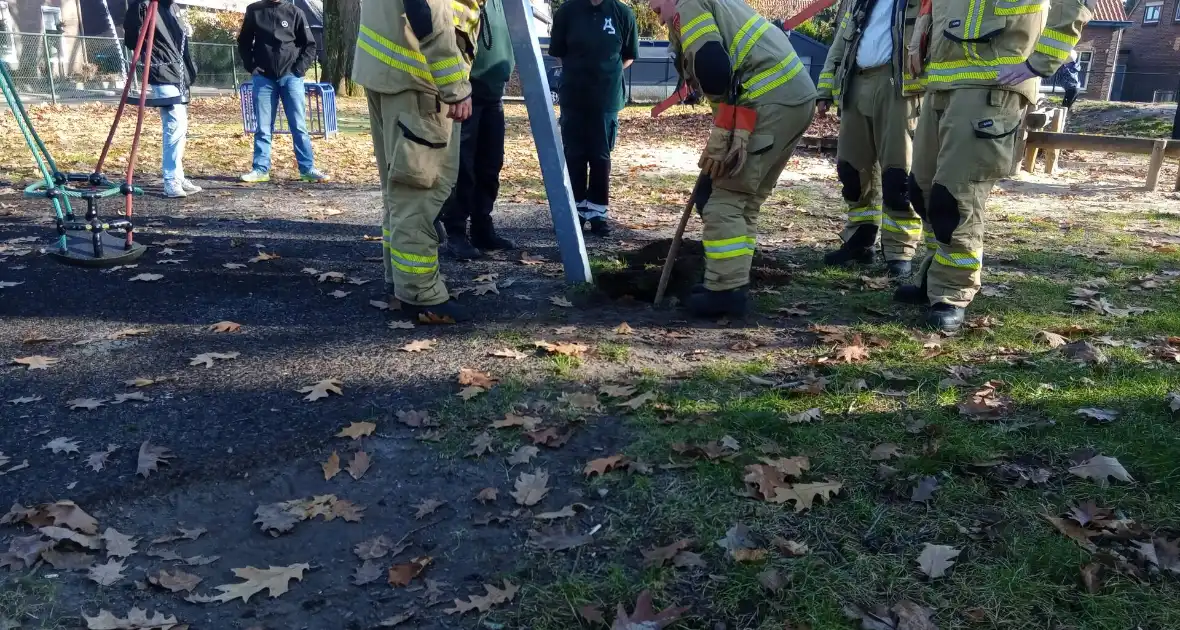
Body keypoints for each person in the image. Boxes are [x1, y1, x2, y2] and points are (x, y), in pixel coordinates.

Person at [897, 0, 1091, 331]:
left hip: (991, 89)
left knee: (956, 195)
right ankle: (935, 275)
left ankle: (952, 291)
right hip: (940, 86)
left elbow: (1073, 5)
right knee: (924, 189)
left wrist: (1038, 64)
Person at [648, 0, 817, 317]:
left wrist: (724, 133)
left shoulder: (690, 6)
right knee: (745, 199)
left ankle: (723, 292)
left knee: (721, 199)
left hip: (769, 102)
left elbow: (713, 70)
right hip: (794, 98)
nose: (649, 5)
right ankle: (732, 284)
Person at [352, 0, 480, 323]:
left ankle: (399, 281)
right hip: (420, 77)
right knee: (422, 188)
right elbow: (426, 8)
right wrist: (455, 84)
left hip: (388, 71)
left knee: (398, 189)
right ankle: (420, 293)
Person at [815, 0, 926, 277]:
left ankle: (900, 250)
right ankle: (860, 240)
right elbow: (841, 40)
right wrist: (825, 88)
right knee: (852, 171)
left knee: (898, 176)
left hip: (900, 87)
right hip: (856, 82)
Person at [547, 0, 639, 236]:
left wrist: (604, 73)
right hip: (574, 97)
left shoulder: (622, 13)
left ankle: (598, 212)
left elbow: (628, 56)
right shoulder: (567, 11)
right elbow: (559, 53)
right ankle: (575, 210)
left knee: (600, 155)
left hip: (606, 98)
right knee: (574, 153)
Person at [440, 0, 517, 260]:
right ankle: (456, 232)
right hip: (465, 92)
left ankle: (482, 226)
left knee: (490, 165)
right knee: (462, 167)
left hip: (493, 93)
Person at [237, 0, 328, 183]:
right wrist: (252, 66)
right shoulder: (254, 11)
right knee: (263, 127)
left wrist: (298, 70)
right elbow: (244, 41)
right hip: (264, 78)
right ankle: (260, 169)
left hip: (291, 78)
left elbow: (309, 45)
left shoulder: (296, 12)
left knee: (299, 126)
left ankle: (307, 168)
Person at [123, 0, 199, 199]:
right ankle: (171, 178)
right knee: (174, 123)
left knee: (180, 127)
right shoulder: (143, 5)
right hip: (161, 70)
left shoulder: (171, 8)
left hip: (179, 73)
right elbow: (132, 41)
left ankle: (178, 174)